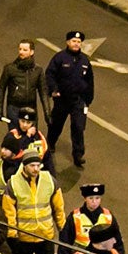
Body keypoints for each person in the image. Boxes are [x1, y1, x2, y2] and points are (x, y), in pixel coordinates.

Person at [44, 30, 95, 169]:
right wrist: (54, 90)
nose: (76, 44)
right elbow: (50, 74)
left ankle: (78, 155)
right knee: (56, 124)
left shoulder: (84, 60)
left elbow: (90, 81)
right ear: (68, 42)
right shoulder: (60, 58)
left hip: (78, 101)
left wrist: (87, 100)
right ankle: (50, 142)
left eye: (79, 42)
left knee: (78, 127)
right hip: (62, 99)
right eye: (74, 41)